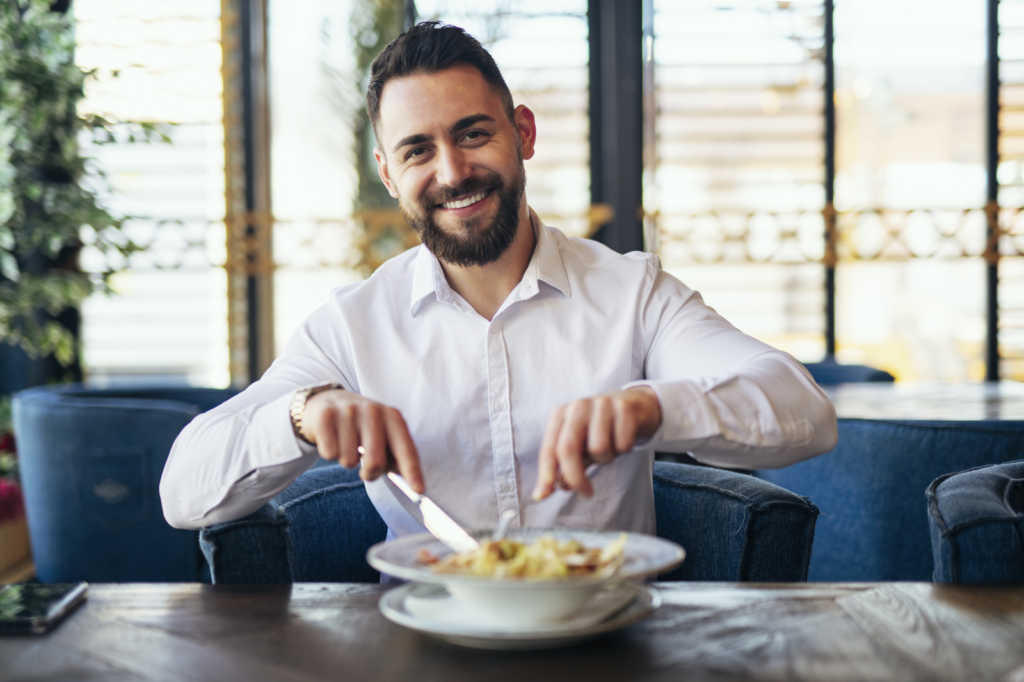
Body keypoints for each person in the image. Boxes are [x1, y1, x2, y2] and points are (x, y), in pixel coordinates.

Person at [159, 21, 837, 538]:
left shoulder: (634, 294)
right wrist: (302, 414)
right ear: (390, 175)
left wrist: (650, 408)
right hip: (419, 646)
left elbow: (804, 413)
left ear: (523, 134)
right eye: (418, 150)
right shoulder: (352, 325)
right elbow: (182, 491)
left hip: (605, 643)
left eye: (474, 134)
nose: (452, 171)